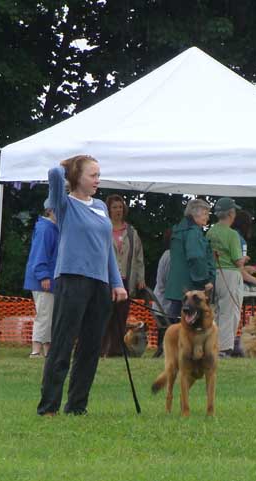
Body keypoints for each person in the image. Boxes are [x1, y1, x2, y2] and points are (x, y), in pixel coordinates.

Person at [37, 155, 127, 417]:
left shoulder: (100, 206)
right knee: (63, 342)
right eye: (92, 175)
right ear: (77, 178)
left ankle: (77, 405)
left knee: (90, 346)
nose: (98, 180)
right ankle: (48, 406)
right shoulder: (64, 204)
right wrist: (67, 165)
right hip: (71, 278)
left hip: (99, 283)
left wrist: (117, 283)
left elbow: (107, 249)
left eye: (99, 175)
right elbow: (54, 175)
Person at [100, 194, 145, 356]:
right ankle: (101, 348)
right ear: (108, 210)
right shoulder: (103, 229)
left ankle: (117, 349)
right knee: (105, 315)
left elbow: (139, 257)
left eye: (120, 207)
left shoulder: (132, 232)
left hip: (126, 279)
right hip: (107, 280)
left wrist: (141, 278)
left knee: (121, 316)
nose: (118, 210)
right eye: (114, 207)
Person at [206, 197, 247, 357]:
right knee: (230, 313)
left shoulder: (210, 232)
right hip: (229, 275)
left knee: (215, 311)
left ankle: (212, 344)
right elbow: (237, 261)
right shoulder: (232, 235)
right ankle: (224, 348)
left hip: (213, 274)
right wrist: (244, 260)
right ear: (230, 213)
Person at [164, 198, 216, 324]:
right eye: (205, 214)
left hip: (178, 285)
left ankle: (166, 342)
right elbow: (196, 257)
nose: (207, 218)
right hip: (191, 286)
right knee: (184, 324)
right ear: (195, 213)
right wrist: (205, 280)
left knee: (174, 320)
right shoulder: (193, 232)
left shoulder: (179, 229)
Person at [23, 198, 59, 358]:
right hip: (43, 280)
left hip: (47, 279)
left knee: (48, 314)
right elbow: (40, 254)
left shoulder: (50, 228)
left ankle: (46, 350)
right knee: (44, 315)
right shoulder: (46, 229)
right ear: (50, 210)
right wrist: (43, 275)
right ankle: (36, 350)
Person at [231, 210, 256, 287]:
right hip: (233, 283)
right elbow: (239, 270)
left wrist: (245, 268)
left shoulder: (226, 235)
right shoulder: (242, 241)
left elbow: (231, 265)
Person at [151, 228, 173, 357]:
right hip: (165, 306)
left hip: (160, 304)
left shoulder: (166, 255)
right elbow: (168, 283)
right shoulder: (171, 256)